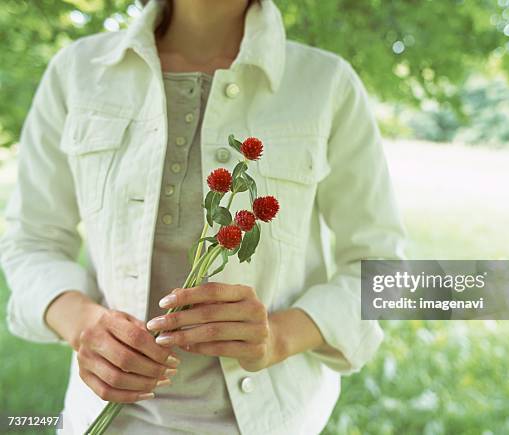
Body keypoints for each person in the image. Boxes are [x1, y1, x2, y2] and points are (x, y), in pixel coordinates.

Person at [0, 0, 407, 433]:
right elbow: (32, 242)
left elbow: (383, 272)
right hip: (99, 419)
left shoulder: (326, 84)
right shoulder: (77, 71)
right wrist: (83, 324)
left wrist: (279, 336)